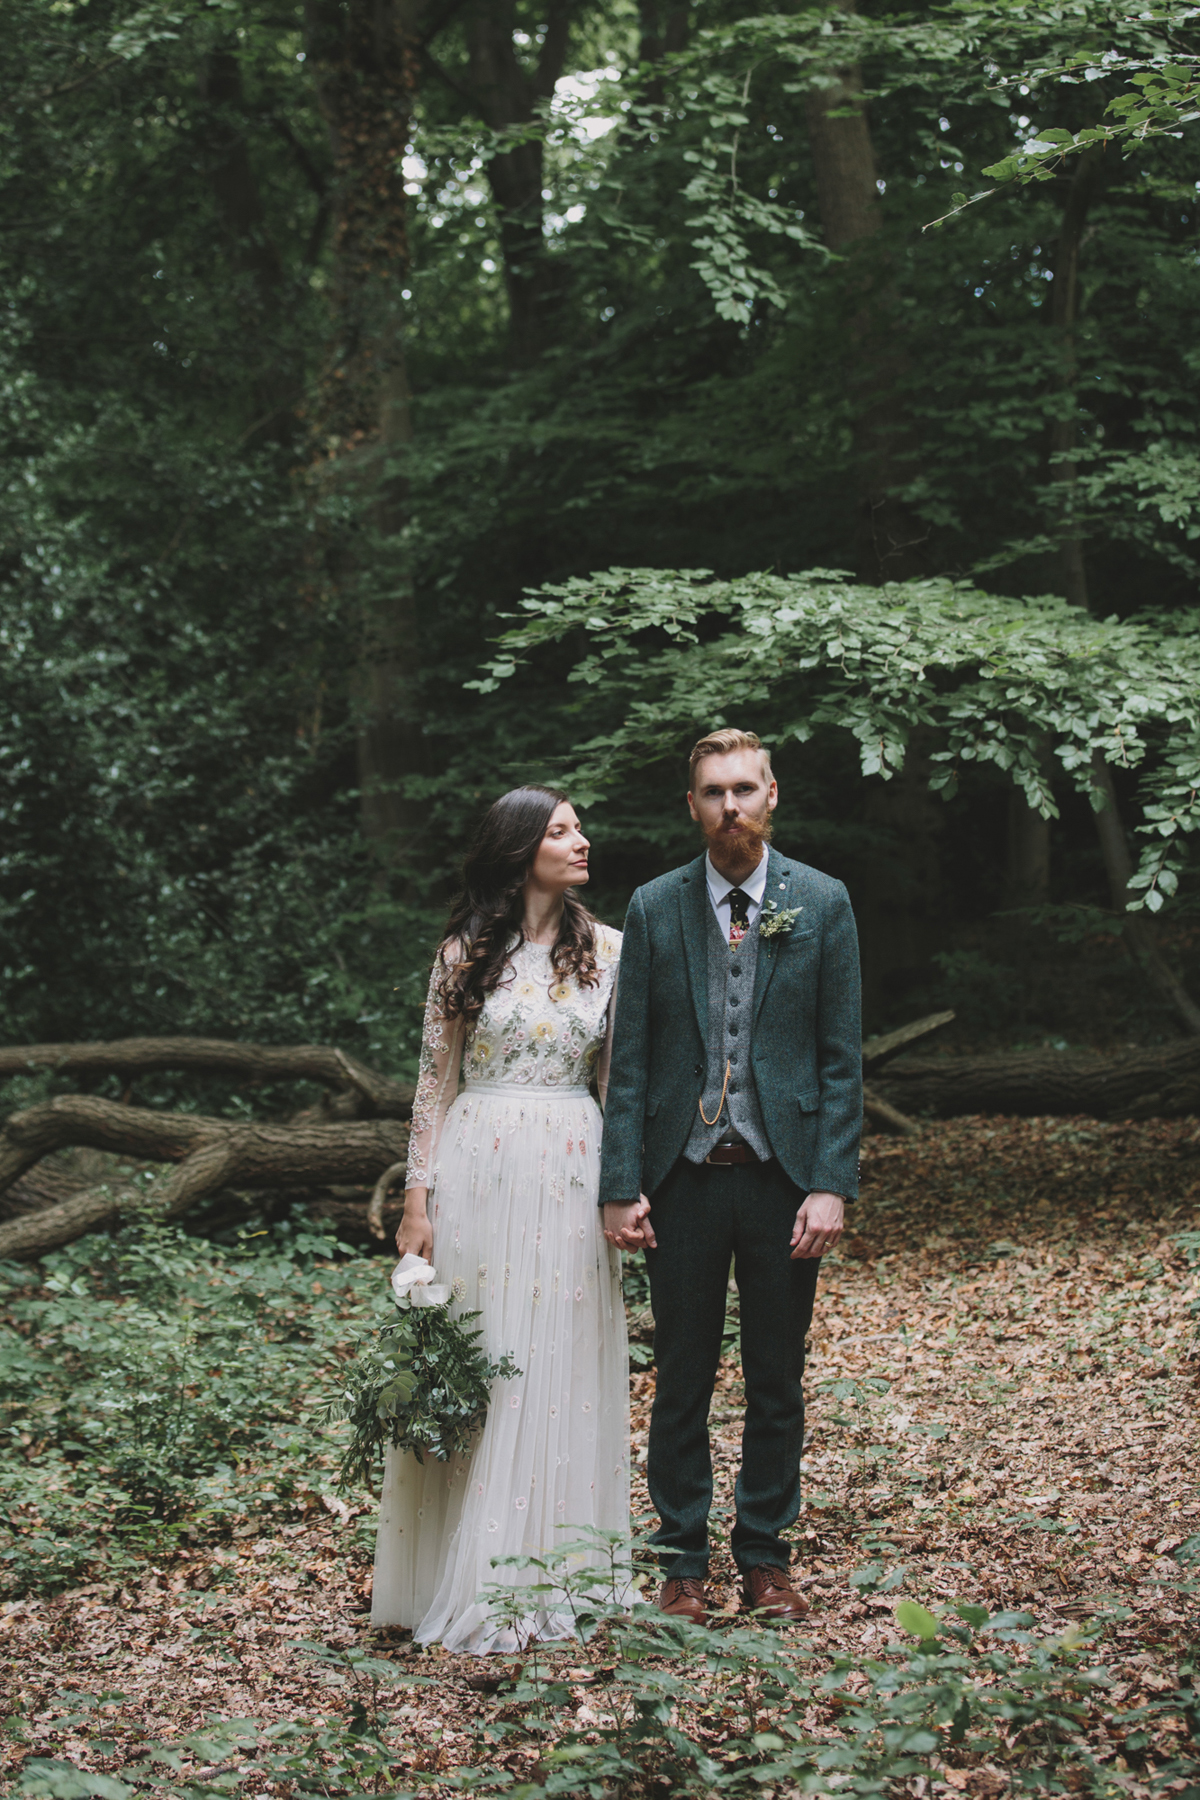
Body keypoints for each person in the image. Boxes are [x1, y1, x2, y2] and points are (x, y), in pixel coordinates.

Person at [599, 728, 861, 1626]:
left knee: (776, 1376)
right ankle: (681, 1563)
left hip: (783, 1179)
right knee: (680, 1376)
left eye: (745, 789)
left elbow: (839, 1061)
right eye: (714, 792)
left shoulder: (821, 902)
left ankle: (766, 1558)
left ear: (772, 794)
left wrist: (831, 1183)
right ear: (693, 806)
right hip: (681, 1180)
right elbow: (628, 1059)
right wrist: (619, 1182)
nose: (731, 806)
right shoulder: (653, 906)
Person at [370, 787, 629, 1654]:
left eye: (578, 827)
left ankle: (561, 1565)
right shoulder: (461, 957)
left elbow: (612, 1088)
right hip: (477, 1165)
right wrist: (418, 1201)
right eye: (562, 831)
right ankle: (461, 1569)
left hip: (570, 1162)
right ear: (521, 851)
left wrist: (621, 1188)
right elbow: (430, 1091)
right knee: (483, 1360)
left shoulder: (612, 952)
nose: (581, 840)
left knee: (559, 1353)